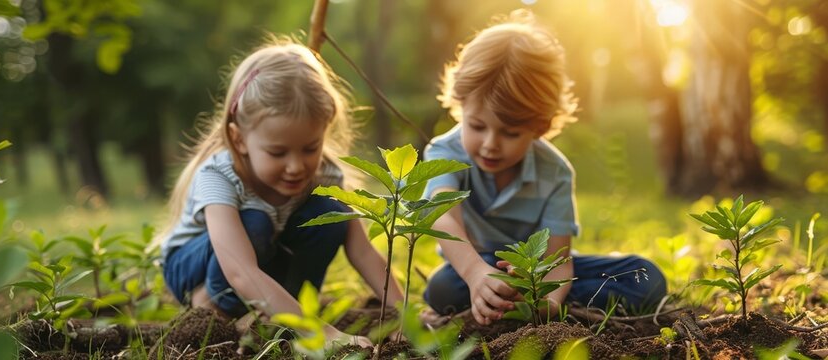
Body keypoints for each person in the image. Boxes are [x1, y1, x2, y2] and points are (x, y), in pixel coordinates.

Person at [421, 10, 667, 325]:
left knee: (647, 279)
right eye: (477, 126)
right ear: (461, 105)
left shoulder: (555, 172)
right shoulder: (446, 151)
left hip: (541, 272)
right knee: (444, 288)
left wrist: (548, 302)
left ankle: (516, 302)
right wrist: (475, 273)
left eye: (510, 133)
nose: (490, 144)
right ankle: (493, 295)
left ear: (539, 126)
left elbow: (560, 262)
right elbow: (443, 218)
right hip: (472, 266)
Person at [156, 38, 403, 346]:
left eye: (310, 148)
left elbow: (362, 250)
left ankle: (283, 312)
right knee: (255, 220)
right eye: (277, 152)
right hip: (196, 266)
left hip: (261, 257)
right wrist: (324, 335)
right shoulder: (219, 177)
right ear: (240, 138)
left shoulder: (324, 172)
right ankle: (213, 310)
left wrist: (404, 312)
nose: (296, 166)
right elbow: (240, 271)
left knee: (332, 214)